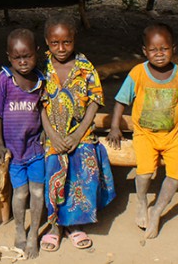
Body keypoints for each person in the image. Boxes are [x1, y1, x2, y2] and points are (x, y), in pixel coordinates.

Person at [106, 23, 178, 239]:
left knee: (176, 175)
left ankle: (157, 210)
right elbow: (120, 101)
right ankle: (143, 200)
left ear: (173, 48)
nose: (159, 54)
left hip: (172, 136)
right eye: (154, 50)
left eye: (164, 49)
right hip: (145, 135)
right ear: (145, 51)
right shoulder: (138, 73)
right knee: (144, 173)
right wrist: (116, 127)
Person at [40, 15, 115, 251]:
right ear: (46, 42)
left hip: (80, 133)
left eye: (67, 42)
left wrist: (78, 133)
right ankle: (55, 225)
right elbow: (38, 104)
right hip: (50, 133)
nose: (61, 48)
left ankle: (75, 224)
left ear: (74, 40)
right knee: (53, 163)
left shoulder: (85, 67)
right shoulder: (42, 68)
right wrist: (51, 134)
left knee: (83, 163)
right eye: (55, 43)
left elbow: (95, 100)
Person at [0, 29, 45, 259]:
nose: (23, 62)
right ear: (8, 56)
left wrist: (44, 132)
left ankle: (33, 234)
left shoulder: (41, 80)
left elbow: (43, 110)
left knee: (38, 191)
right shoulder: (3, 80)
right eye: (17, 58)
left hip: (35, 148)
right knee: (20, 192)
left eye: (28, 56)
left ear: (37, 53)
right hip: (13, 150)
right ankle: (19, 230)